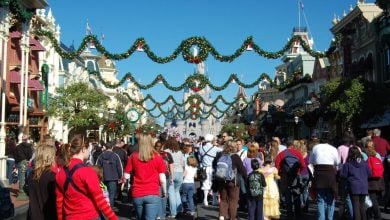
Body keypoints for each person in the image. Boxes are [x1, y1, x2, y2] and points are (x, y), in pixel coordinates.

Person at [56, 134, 117, 220]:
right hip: (89, 215)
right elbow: (100, 201)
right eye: (89, 148)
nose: (89, 151)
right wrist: (114, 218)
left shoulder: (61, 172)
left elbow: (59, 201)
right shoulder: (87, 172)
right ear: (83, 149)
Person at [123, 133, 167, 220]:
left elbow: (127, 175)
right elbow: (162, 179)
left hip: (137, 192)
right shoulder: (157, 157)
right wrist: (164, 191)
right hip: (153, 192)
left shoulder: (133, 156)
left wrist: (127, 187)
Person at [213, 141, 247, 220]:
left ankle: (222, 215)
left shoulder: (219, 155)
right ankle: (232, 217)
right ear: (234, 147)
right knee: (233, 201)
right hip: (233, 182)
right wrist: (246, 179)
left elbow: (214, 166)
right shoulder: (235, 156)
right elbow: (242, 170)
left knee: (223, 199)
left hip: (221, 180)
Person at [309, 136, 340, 220]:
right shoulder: (333, 148)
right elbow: (337, 162)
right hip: (330, 174)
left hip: (319, 174)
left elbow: (310, 161)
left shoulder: (315, 148)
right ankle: (330, 218)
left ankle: (321, 218)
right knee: (330, 199)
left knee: (320, 200)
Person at [275, 138, 306, 219]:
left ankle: (290, 216)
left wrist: (281, 174)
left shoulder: (281, 154)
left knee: (288, 198)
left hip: (285, 177)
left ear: (286, 145)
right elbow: (303, 165)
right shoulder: (298, 153)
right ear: (292, 145)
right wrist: (298, 172)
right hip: (296, 177)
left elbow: (277, 167)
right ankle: (298, 215)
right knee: (297, 196)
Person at [26, 142, 58, 220]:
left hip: (33, 215)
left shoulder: (31, 175)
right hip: (48, 215)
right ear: (50, 157)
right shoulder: (52, 177)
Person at [340, 146, 371, 220]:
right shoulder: (365, 163)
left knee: (355, 206)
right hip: (364, 186)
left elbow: (343, 175)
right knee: (362, 206)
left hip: (353, 187)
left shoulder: (348, 164)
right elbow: (369, 174)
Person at [96, 141, 123, 207]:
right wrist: (120, 177)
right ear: (112, 147)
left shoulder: (101, 156)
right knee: (111, 195)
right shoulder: (115, 156)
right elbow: (119, 167)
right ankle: (110, 209)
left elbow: (97, 167)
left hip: (103, 178)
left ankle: (103, 208)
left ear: (105, 147)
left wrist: (97, 177)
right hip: (113, 178)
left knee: (103, 194)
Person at [198, 134, 222, 207]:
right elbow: (223, 150)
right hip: (212, 168)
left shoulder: (201, 147)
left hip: (204, 168)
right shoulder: (215, 148)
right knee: (213, 184)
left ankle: (205, 200)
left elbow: (199, 158)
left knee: (205, 184)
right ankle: (214, 200)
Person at [164, 137, 184, 218]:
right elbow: (182, 164)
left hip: (172, 172)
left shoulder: (166, 152)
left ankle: (173, 212)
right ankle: (179, 209)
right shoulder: (179, 152)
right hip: (180, 172)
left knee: (171, 193)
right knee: (177, 192)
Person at [154, 140, 174, 220]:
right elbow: (171, 167)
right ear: (163, 147)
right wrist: (172, 177)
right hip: (166, 175)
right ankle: (163, 214)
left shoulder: (153, 154)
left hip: (156, 177)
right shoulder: (167, 154)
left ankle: (158, 214)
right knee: (164, 196)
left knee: (158, 195)